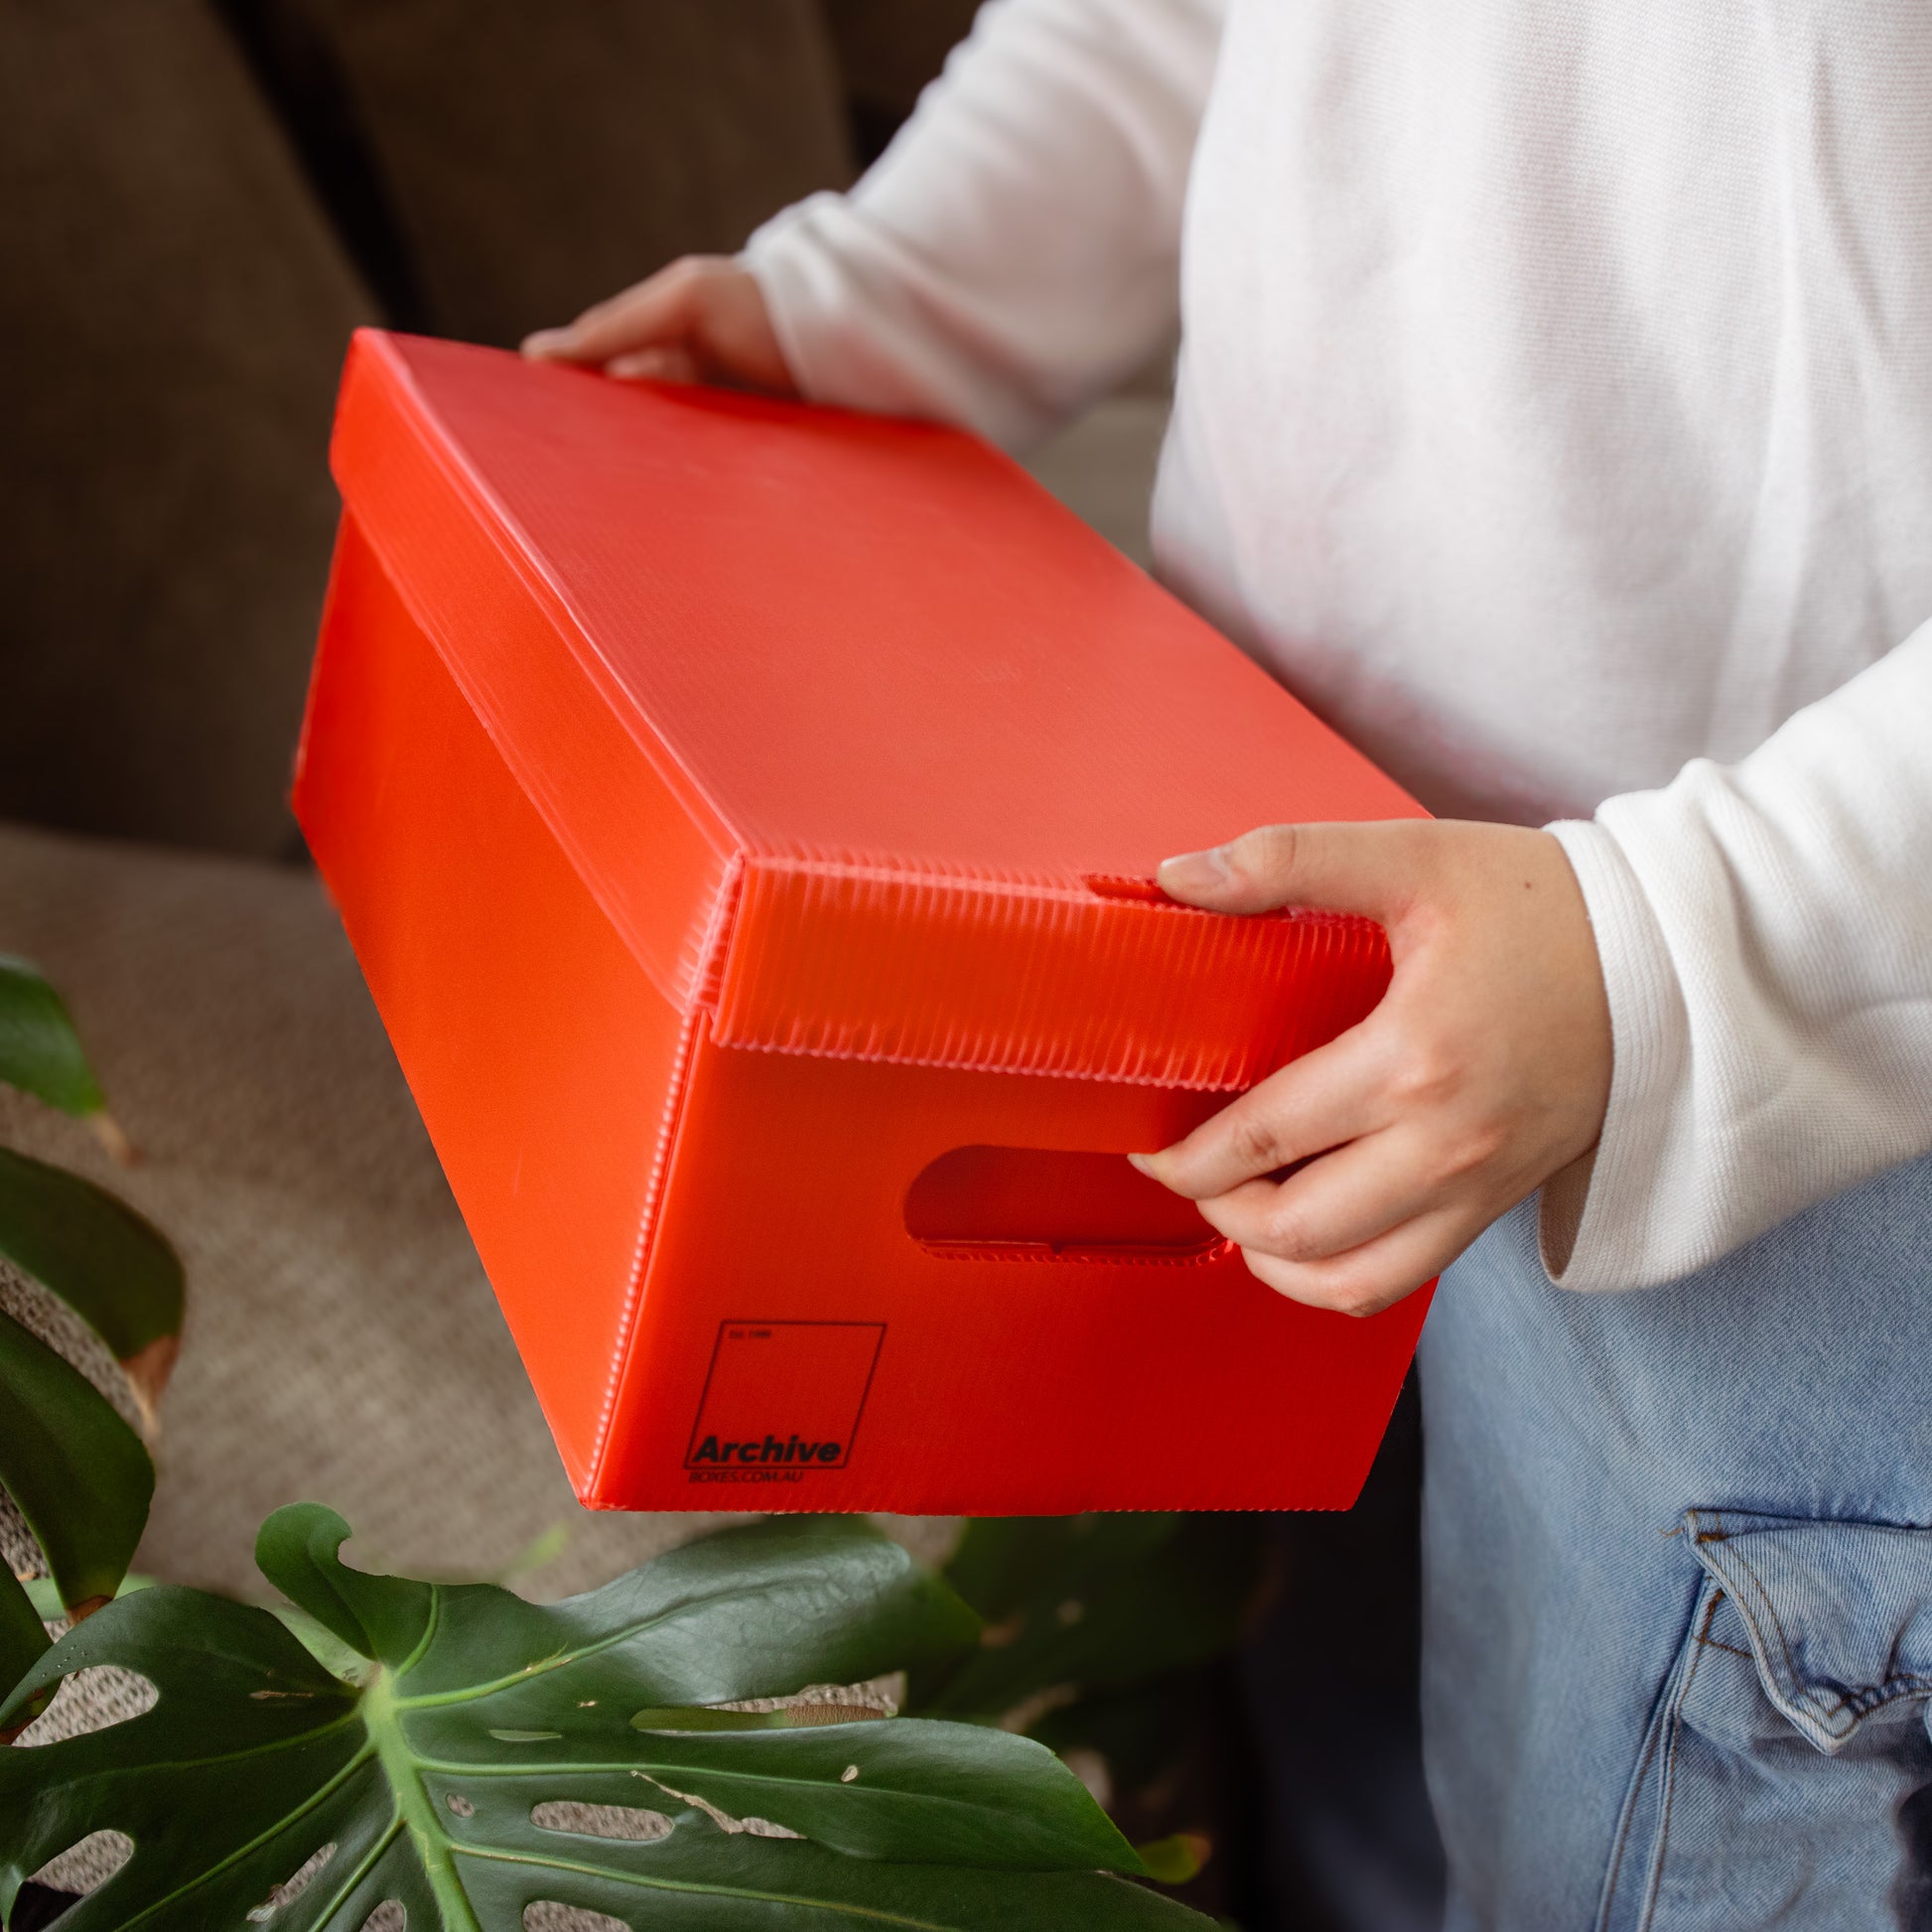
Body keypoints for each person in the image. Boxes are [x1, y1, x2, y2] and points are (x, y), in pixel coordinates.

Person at [524, 3, 1932, 1924]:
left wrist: (1675, 946)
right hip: (1284, 915)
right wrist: (871, 298)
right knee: (1341, 1735)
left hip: (1770, 1084)